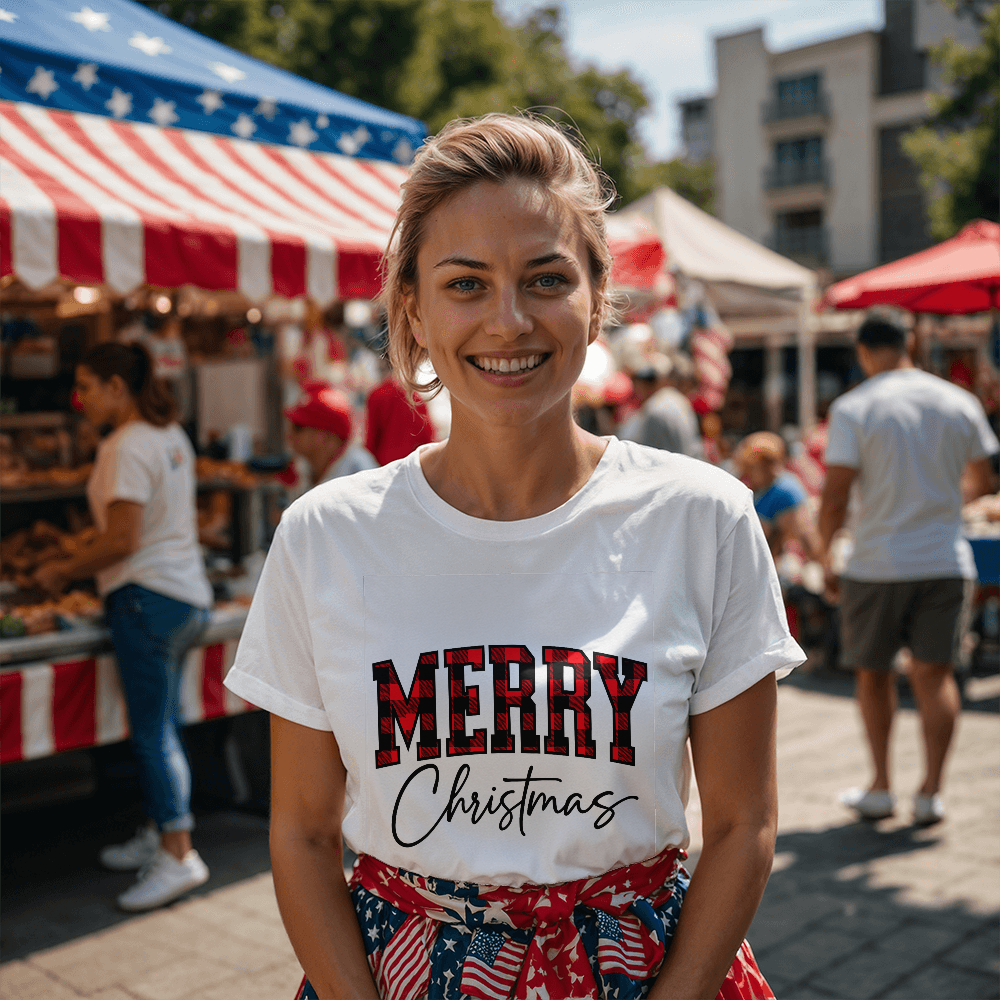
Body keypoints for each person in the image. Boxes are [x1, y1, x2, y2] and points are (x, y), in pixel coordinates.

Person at [224, 113, 803, 1000]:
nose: (508, 320)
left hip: (652, 972)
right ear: (412, 307)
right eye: (465, 283)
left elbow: (741, 823)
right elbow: (301, 833)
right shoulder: (324, 537)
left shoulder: (705, 518)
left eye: (545, 279)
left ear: (597, 298)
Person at [34, 342, 213, 911]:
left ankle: (178, 853)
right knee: (166, 725)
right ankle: (161, 831)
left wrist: (63, 568)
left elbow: (122, 540)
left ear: (117, 386)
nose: (80, 398)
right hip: (185, 598)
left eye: (87, 385)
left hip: (146, 600)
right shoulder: (170, 436)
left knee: (152, 732)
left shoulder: (124, 445)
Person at [819, 312, 999, 825]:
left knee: (873, 676)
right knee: (936, 675)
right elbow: (982, 480)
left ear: (862, 350)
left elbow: (834, 496)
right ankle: (930, 792)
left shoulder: (855, 408)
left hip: (876, 561)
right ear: (912, 342)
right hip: (945, 557)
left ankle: (880, 785)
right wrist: (939, 502)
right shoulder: (957, 400)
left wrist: (825, 553)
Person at [736, 431, 823, 565]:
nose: (745, 473)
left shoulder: (785, 489)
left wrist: (823, 567)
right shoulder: (751, 488)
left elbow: (806, 536)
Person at [618, 344, 705, 459]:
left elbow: (650, 459)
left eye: (650, 380)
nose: (642, 385)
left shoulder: (657, 408)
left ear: (664, 379)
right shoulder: (676, 400)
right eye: (640, 379)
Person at [285, 383, 377, 488]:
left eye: (298, 427)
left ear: (323, 436)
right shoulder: (307, 468)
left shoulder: (361, 472)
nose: (289, 434)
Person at [364, 366, 436, 466]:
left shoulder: (376, 395)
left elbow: (371, 437)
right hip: (411, 463)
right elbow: (428, 435)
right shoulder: (414, 396)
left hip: (384, 464)